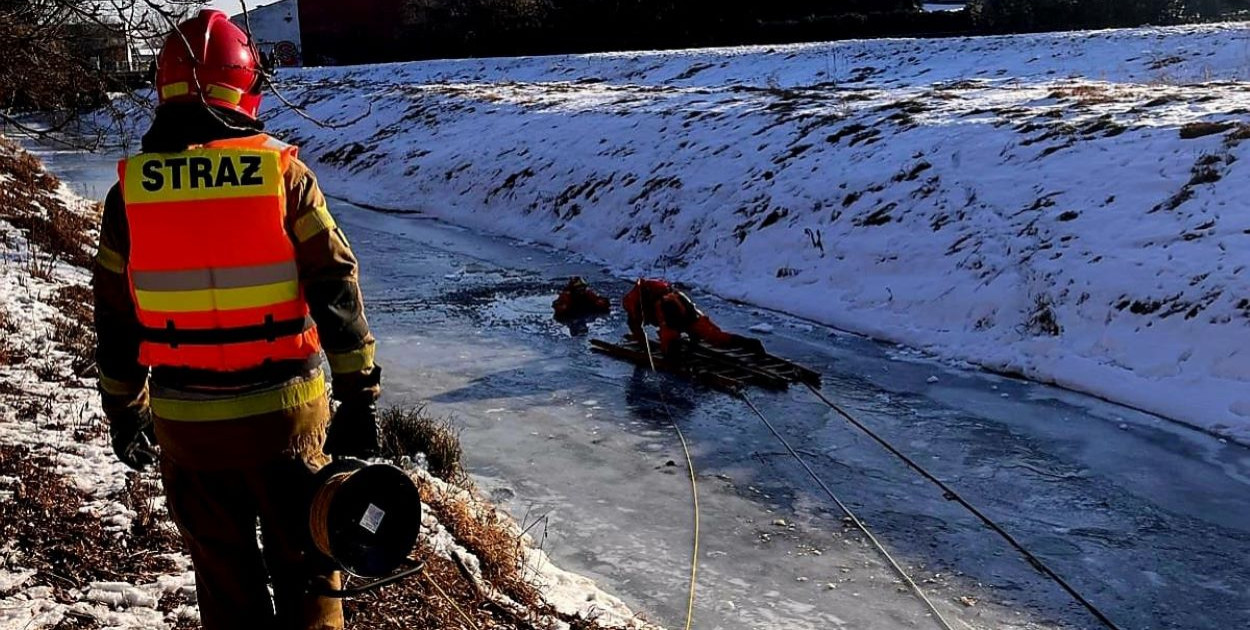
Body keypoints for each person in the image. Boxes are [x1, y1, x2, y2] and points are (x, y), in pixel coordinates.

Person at [92, 10, 380, 630]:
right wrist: (361, 397)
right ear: (246, 85)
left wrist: (125, 411)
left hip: (188, 431)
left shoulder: (130, 195)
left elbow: (115, 320)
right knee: (308, 569)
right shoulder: (283, 176)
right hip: (287, 420)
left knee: (224, 582)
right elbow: (335, 287)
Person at [622, 278, 764, 357]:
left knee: (713, 336)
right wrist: (645, 346)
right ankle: (749, 343)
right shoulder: (639, 310)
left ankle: (750, 344)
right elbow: (666, 331)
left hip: (677, 310)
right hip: (677, 308)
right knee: (710, 335)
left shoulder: (668, 306)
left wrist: (669, 351)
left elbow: (668, 331)